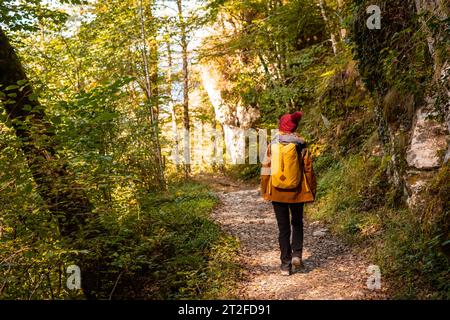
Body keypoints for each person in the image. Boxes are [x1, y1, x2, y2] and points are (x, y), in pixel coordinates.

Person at [260, 111, 316, 276]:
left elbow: (266, 169)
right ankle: (297, 255)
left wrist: (265, 190)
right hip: (297, 192)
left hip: (277, 192)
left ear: (281, 127)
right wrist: (312, 190)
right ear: (294, 128)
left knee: (283, 228)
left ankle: (285, 265)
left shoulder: (272, 144)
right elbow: (308, 169)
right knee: (297, 223)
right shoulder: (300, 144)